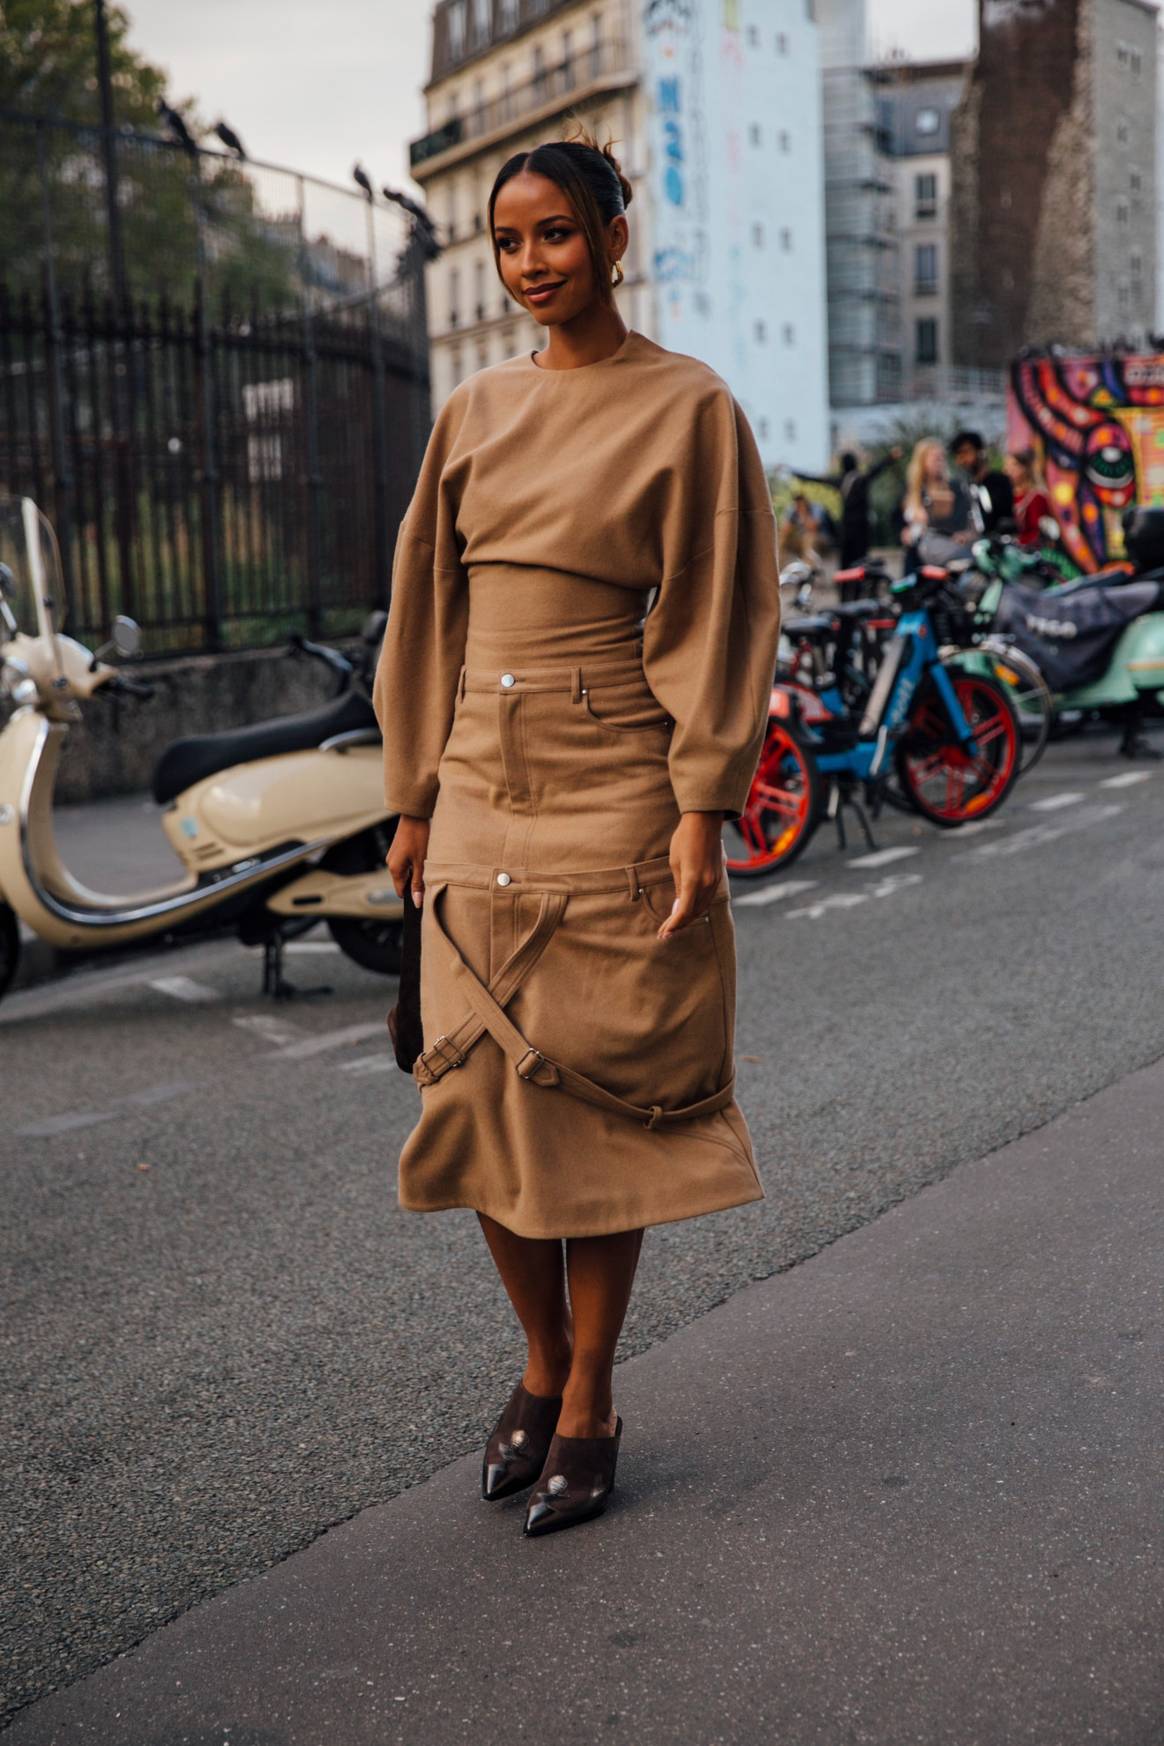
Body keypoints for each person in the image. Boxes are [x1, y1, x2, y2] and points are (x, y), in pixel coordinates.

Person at [371, 128, 782, 1539]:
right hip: (480, 790)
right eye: (508, 240)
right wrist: (414, 794)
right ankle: (538, 1361)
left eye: (556, 233)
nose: (531, 262)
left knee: (600, 1097)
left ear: (615, 235)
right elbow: (426, 609)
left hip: (619, 784)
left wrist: (702, 810)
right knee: (477, 1094)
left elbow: (722, 618)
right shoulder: (473, 411)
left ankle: (594, 1386)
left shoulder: (690, 409)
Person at [794, 445, 903, 571]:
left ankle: (845, 587)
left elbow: (816, 479)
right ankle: (858, 586)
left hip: (847, 527)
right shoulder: (861, 479)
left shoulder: (841, 481)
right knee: (861, 561)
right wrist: (891, 457)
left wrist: (795, 473)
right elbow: (877, 469)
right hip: (862, 527)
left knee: (846, 560)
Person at [900, 437, 981, 572]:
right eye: (935, 458)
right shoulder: (914, 489)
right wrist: (903, 530)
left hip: (942, 549)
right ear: (922, 461)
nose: (940, 462)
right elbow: (899, 517)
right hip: (915, 553)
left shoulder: (953, 488)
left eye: (942, 458)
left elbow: (959, 518)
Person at [948, 429, 1014, 533]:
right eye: (958, 455)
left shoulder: (1000, 482)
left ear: (980, 452)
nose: (962, 459)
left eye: (966, 452)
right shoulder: (959, 487)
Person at [1003, 447, 1054, 548]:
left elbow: (1038, 532)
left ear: (1025, 468)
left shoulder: (1036, 497)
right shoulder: (1005, 496)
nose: (1008, 470)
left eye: (1014, 465)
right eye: (1006, 465)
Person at [779, 492, 824, 569]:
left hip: (820, 538)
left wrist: (803, 513)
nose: (798, 506)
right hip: (800, 538)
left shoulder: (816, 508)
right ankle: (778, 566)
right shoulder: (793, 510)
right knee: (781, 538)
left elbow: (813, 528)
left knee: (808, 537)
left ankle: (807, 569)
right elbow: (785, 530)